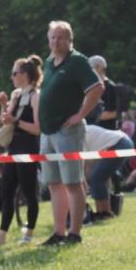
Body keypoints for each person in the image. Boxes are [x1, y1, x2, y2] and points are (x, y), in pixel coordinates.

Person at [37, 21, 105, 246]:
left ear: (69, 40)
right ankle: (59, 232)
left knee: (73, 183)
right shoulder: (49, 62)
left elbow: (97, 88)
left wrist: (80, 114)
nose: (55, 41)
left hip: (68, 131)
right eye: (52, 37)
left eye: (60, 37)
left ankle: (75, 233)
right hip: (47, 131)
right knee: (54, 184)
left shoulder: (77, 61)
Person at [0, 56, 42, 245]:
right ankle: (1, 235)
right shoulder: (16, 94)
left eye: (14, 73)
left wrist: (16, 121)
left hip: (28, 147)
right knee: (6, 191)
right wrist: (3, 105)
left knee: (29, 192)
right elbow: (5, 120)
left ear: (25, 75)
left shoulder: (36, 95)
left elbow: (37, 128)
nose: (11, 77)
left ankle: (29, 233)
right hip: (13, 148)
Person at [83, 124, 135, 219]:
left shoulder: (82, 136)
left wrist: (84, 185)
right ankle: (104, 209)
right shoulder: (85, 131)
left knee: (96, 178)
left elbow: (87, 166)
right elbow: (88, 165)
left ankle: (105, 212)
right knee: (100, 178)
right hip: (122, 142)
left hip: (120, 144)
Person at [88, 55, 120, 130]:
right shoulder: (91, 86)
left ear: (98, 68)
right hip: (92, 130)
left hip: (106, 131)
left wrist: (86, 116)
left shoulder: (111, 87)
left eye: (90, 68)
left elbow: (114, 113)